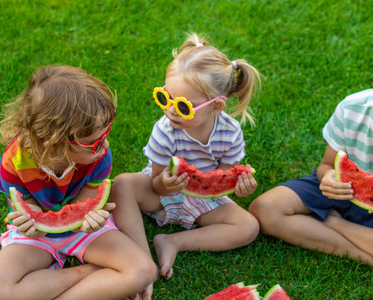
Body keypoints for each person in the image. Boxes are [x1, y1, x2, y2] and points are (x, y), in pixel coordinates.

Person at [0, 65, 157, 300]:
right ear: (55, 143)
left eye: (106, 133)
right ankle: (92, 271)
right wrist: (27, 223)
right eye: (93, 142)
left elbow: (86, 202)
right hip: (37, 236)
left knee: (145, 271)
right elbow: (26, 208)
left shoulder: (100, 158)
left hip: (85, 231)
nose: (105, 146)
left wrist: (88, 222)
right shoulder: (15, 163)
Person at [110, 33, 261, 296]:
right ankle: (142, 263)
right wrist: (164, 184)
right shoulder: (165, 129)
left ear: (216, 107)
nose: (170, 111)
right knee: (123, 184)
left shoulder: (230, 131)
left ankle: (173, 241)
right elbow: (155, 183)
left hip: (204, 202)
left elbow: (224, 177)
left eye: (183, 106)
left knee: (249, 227)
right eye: (165, 99)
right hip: (161, 195)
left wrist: (240, 186)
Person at [249, 69, 373, 277]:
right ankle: (372, 259)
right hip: (342, 189)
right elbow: (327, 166)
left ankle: (334, 222)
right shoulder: (352, 108)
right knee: (265, 209)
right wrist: (329, 178)